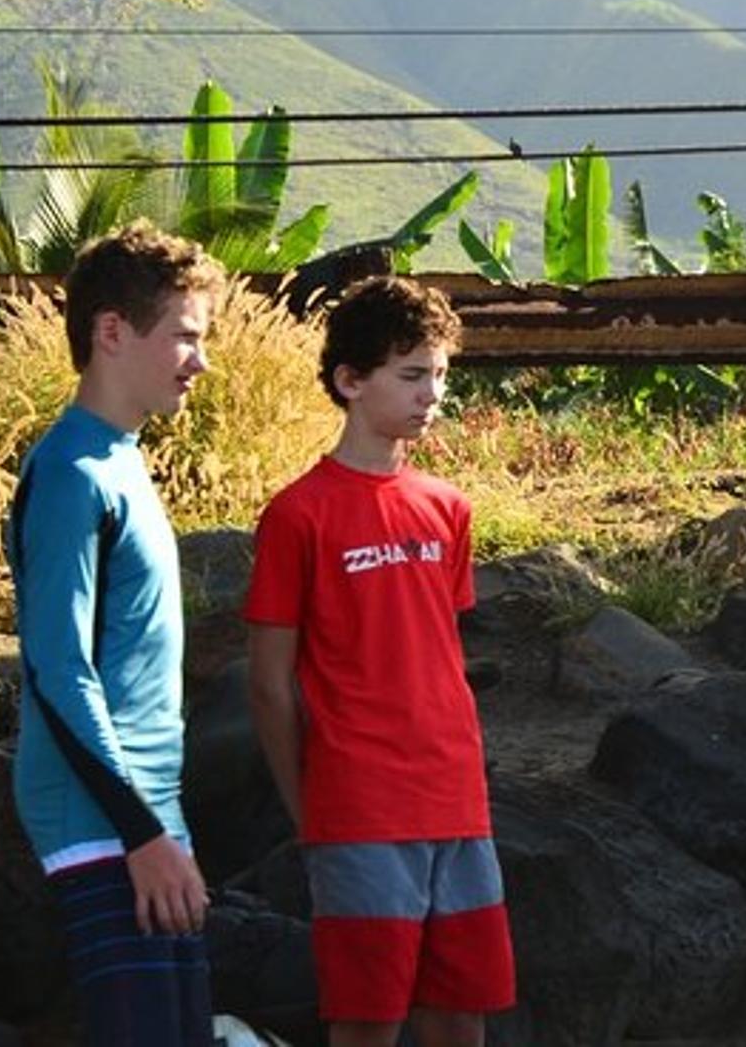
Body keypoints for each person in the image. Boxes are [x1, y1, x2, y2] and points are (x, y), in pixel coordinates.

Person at [245, 276, 514, 1047]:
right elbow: (268, 684)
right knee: (368, 1018)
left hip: (456, 798)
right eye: (412, 374)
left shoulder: (448, 506)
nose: (432, 393)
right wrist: (307, 809)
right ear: (350, 380)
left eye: (441, 374)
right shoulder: (296, 514)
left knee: (460, 1011)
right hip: (358, 804)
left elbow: (436, 650)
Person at [8, 221, 224, 1046]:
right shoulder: (71, 472)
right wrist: (142, 833)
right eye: (184, 336)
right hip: (101, 821)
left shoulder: (121, 458)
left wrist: (160, 828)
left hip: (148, 816)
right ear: (111, 331)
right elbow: (57, 668)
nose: (200, 361)